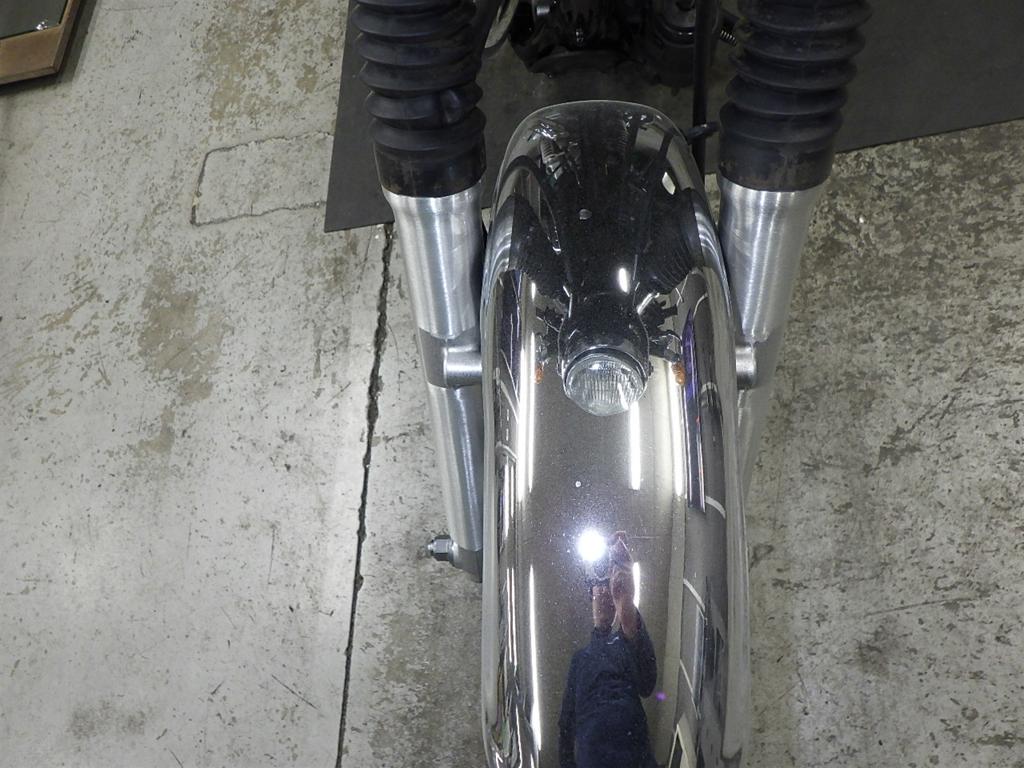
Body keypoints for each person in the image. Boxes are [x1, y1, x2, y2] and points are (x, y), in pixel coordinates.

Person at [559, 533, 658, 768]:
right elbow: (566, 721)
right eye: (598, 587)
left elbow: (648, 684)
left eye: (608, 587)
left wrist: (626, 605)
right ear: (591, 596)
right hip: (592, 756)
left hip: (635, 752)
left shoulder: (627, 642)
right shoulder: (580, 659)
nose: (604, 592)